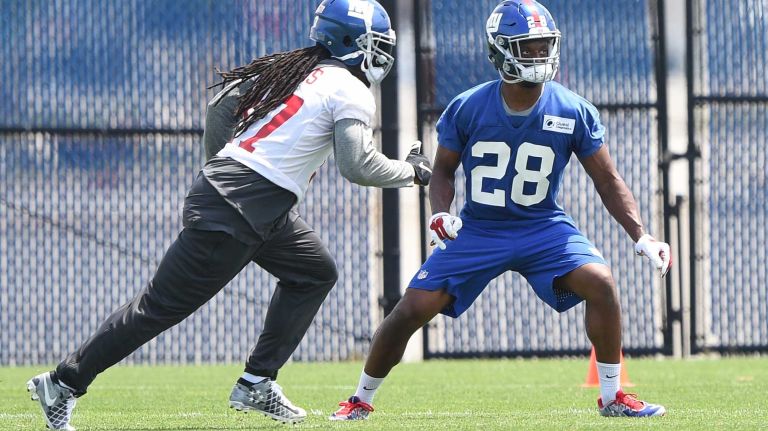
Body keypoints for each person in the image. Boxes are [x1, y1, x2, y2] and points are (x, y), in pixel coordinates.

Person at [26, 0, 433, 429]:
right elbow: (357, 165)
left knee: (314, 271)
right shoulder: (350, 88)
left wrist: (222, 167)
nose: (382, 53)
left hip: (254, 204)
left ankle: (257, 380)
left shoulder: (297, 70)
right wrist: (413, 173)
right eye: (376, 43)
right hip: (240, 206)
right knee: (158, 307)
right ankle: (64, 381)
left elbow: (220, 107)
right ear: (354, 42)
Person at [331, 0, 671, 421]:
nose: (538, 55)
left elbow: (608, 180)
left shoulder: (573, 109)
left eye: (544, 44)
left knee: (600, 281)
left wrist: (642, 235)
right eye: (527, 47)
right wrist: (440, 213)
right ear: (500, 51)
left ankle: (613, 396)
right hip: (481, 229)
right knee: (412, 309)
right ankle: (360, 399)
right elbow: (442, 172)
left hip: (542, 226)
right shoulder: (469, 106)